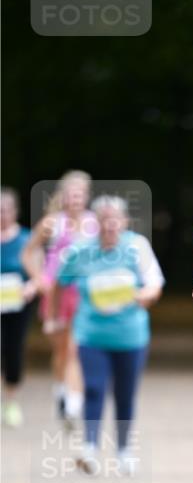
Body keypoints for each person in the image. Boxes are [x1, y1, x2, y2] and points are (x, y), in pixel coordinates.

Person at [52, 196, 164, 474]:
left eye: (115, 219)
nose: (110, 225)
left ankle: (124, 451)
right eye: (104, 219)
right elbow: (59, 282)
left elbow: (155, 284)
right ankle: (89, 448)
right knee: (94, 388)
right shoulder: (80, 251)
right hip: (92, 335)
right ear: (96, 222)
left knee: (125, 394)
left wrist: (143, 295)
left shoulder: (137, 247)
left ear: (125, 222)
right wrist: (55, 317)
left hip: (131, 337)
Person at [22, 170, 98, 428]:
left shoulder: (95, 223)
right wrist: (39, 279)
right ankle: (61, 392)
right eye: (71, 195)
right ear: (64, 197)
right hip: (56, 294)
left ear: (86, 197)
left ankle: (73, 405)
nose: (76, 200)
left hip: (84, 293)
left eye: (80, 195)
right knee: (62, 351)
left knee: (76, 349)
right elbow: (28, 252)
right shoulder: (52, 223)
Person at [0, 188, 39, 427]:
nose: (2, 215)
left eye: (5, 210)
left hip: (17, 305)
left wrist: (31, 287)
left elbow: (40, 274)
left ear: (15, 211)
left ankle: (11, 401)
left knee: (12, 351)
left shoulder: (27, 239)